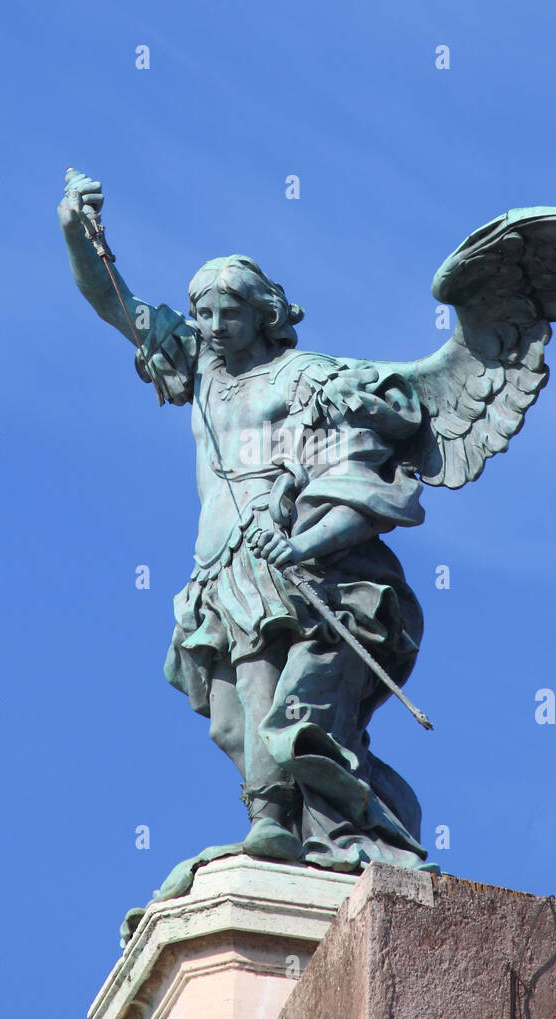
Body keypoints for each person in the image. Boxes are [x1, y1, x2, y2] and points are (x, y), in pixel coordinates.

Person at [60, 170, 432, 882]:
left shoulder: (305, 377)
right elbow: (113, 301)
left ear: (261, 313)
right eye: (201, 312)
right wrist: (77, 231)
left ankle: (273, 822)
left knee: (271, 706)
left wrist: (303, 536)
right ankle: (291, 815)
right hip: (217, 558)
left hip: (278, 550)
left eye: (225, 312)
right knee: (229, 723)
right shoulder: (200, 368)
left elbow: (357, 460)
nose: (210, 325)